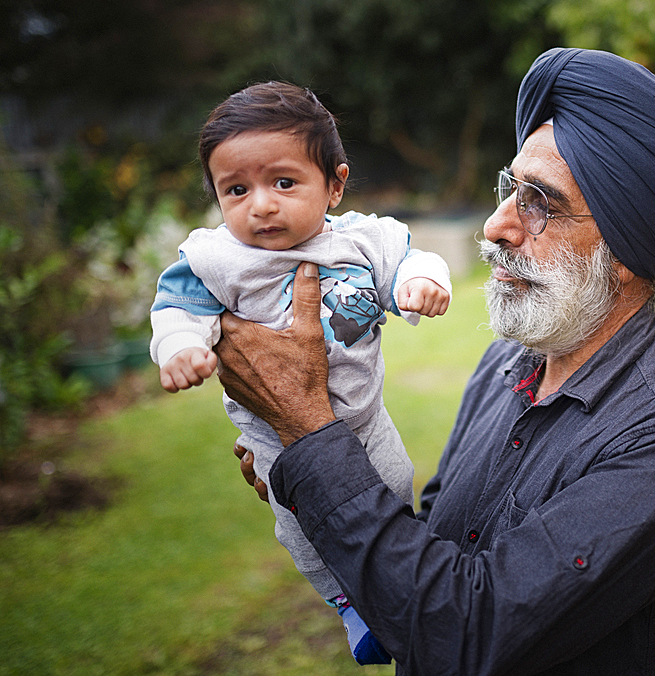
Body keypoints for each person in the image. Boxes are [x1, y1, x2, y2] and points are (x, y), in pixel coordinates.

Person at [220, 49, 655, 675]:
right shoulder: (511, 362)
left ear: (627, 250)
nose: (497, 225)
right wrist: (315, 476)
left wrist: (309, 430)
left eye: (540, 204)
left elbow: (465, 638)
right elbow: (433, 547)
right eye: (511, 189)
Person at [149, 81, 451, 665]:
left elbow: (412, 256)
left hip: (365, 418)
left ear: (334, 184)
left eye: (283, 183)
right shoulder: (218, 260)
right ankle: (348, 602)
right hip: (274, 434)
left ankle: (397, 579)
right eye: (236, 190)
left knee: (394, 482)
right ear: (216, 197)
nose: (260, 204)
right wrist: (181, 346)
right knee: (302, 521)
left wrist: (420, 282)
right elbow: (174, 308)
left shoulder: (363, 240)